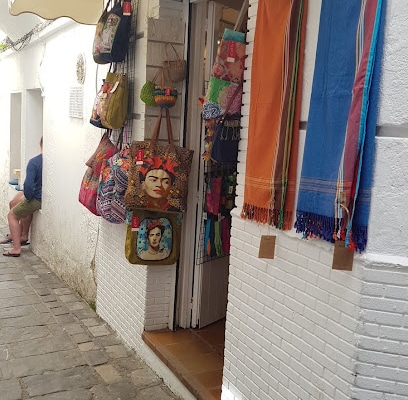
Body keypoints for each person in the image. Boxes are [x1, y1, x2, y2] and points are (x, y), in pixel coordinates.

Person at [3, 137, 43, 257]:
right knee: (14, 202)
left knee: (12, 215)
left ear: (40, 144)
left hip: (37, 198)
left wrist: (28, 198)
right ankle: (20, 235)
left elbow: (29, 184)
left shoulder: (34, 162)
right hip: (42, 195)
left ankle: (16, 248)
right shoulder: (54, 161)